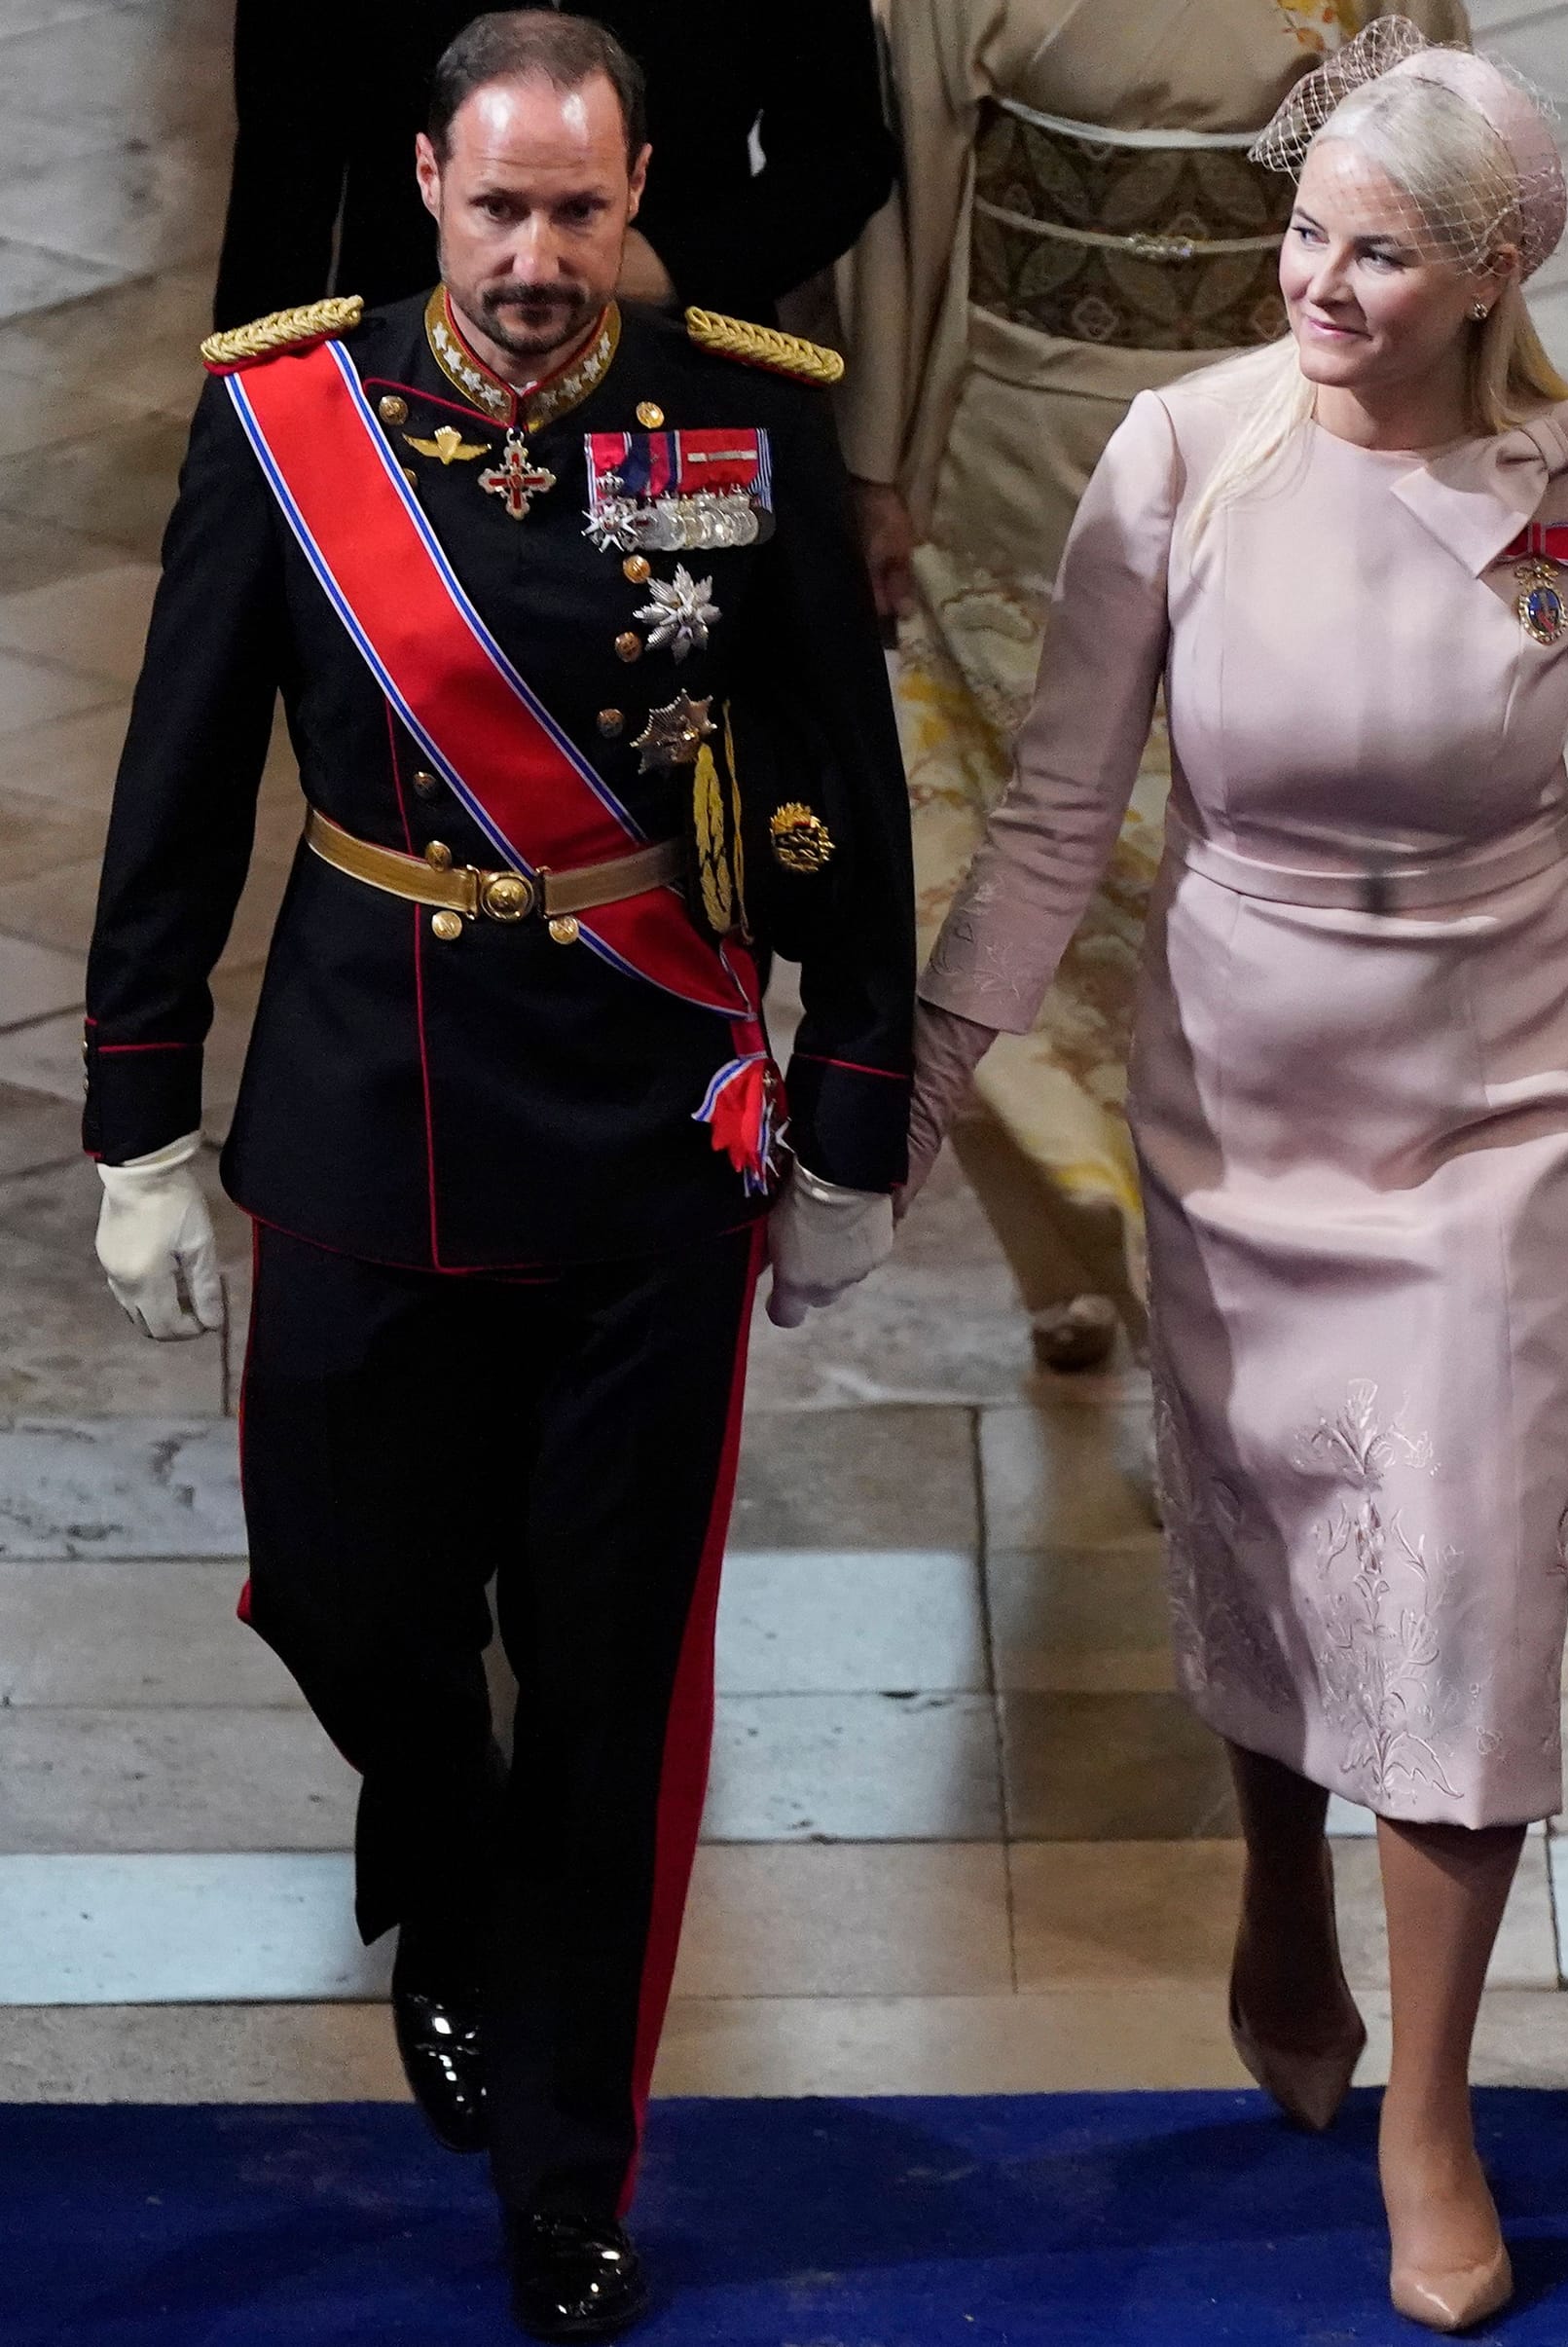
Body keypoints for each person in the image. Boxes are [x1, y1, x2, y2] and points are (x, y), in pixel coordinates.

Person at [900, 21, 1568, 2332]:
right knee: (1279, 1520)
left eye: (1372, 254)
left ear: (1489, 275)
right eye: (1302, 233)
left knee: (1466, 1582)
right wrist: (923, 1057)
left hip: (1508, 1105)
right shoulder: (1177, 458)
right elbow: (1050, 812)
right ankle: (1277, 1875)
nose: (1308, 281)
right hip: (1241, 1089)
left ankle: (1430, 2104)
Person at [86, 15, 912, 2337]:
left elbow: (843, 779)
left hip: (649, 1140)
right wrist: (142, 1110)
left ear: (638, 193)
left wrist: (852, 1108)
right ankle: (440, 1870)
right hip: (367, 1108)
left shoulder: (742, 413)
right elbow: (177, 781)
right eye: (496, 210)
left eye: (582, 212)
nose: (540, 261)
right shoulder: (288, 415)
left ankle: (570, 2172)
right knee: (346, 1596)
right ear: (424, 187)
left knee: (620, 1684)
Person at [840, 0, 1465, 1371]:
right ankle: (1068, 1242)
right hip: (1022, 455)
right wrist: (879, 455)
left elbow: (1437, 180)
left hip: (1288, 435)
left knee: (1241, 883)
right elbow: (912, 202)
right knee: (1015, 880)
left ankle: (1226, 1244)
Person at [212, 0, 896, 331]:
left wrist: (667, 264)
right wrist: (246, 445)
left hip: (674, 360)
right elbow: (280, 193)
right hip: (412, 363)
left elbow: (842, 156)